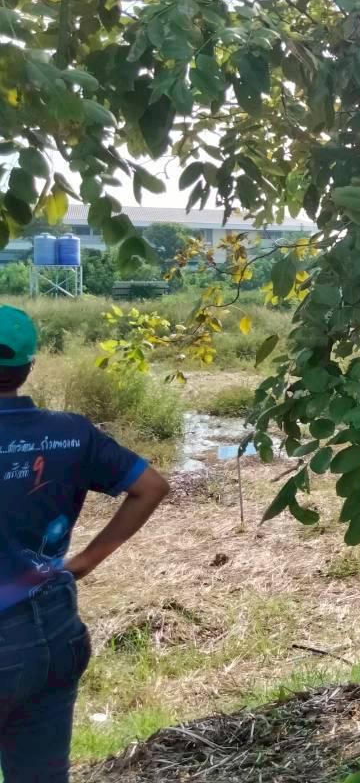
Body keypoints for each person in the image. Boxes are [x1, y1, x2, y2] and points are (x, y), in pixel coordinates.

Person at [0, 304, 170, 782]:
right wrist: (86, 562)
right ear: (29, 367)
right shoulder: (70, 433)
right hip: (52, 631)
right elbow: (151, 486)